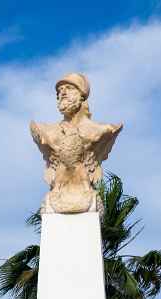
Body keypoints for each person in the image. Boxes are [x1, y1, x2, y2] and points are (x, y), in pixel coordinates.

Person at [30, 72, 123, 214]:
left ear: (82, 95)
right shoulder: (47, 131)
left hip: (85, 192)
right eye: (60, 90)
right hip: (57, 193)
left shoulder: (101, 130)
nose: (63, 93)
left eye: (69, 88)